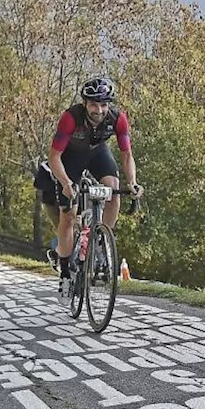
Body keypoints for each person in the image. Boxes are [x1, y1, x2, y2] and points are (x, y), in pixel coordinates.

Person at [38, 76, 143, 301]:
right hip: (70, 158)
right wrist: (66, 184)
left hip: (97, 153)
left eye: (104, 104)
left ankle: (101, 237)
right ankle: (65, 272)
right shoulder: (70, 118)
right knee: (69, 214)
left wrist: (132, 181)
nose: (99, 110)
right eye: (94, 104)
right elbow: (54, 155)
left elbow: (127, 155)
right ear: (85, 104)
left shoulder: (118, 119)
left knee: (113, 190)